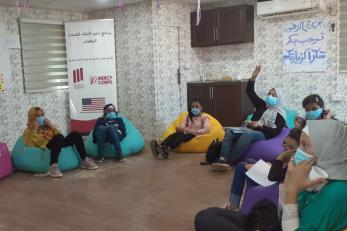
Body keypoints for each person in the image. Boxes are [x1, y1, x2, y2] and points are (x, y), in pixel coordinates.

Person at [194, 120, 347, 231]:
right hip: (281, 222)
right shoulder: (314, 172)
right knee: (207, 215)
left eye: (304, 145)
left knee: (206, 221)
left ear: (328, 149)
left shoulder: (336, 192)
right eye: (299, 144)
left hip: (287, 226)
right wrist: (290, 181)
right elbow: (284, 211)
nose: (298, 151)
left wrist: (292, 190)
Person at [212, 65, 286, 171]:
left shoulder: (280, 114)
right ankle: (223, 158)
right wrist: (253, 78)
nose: (270, 96)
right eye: (269, 94)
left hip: (263, 134)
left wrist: (260, 125)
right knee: (229, 131)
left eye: (274, 95)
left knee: (247, 134)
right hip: (251, 128)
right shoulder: (262, 105)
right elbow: (250, 92)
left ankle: (229, 162)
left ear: (279, 98)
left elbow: (275, 131)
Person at [225, 128, 302, 211]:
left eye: (290, 147)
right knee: (249, 161)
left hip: (275, 183)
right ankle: (233, 204)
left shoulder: (295, 161)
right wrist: (271, 165)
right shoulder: (291, 156)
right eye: (284, 144)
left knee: (241, 167)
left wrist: (281, 157)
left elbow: (277, 177)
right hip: (274, 175)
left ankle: (233, 206)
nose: (285, 148)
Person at [23, 107, 97, 178]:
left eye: (42, 115)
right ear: (32, 117)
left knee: (76, 134)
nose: (40, 117)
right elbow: (33, 143)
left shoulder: (47, 127)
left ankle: (84, 160)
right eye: (37, 116)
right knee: (58, 137)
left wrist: (51, 126)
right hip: (46, 145)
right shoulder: (29, 130)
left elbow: (59, 134)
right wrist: (35, 129)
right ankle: (53, 166)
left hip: (57, 143)